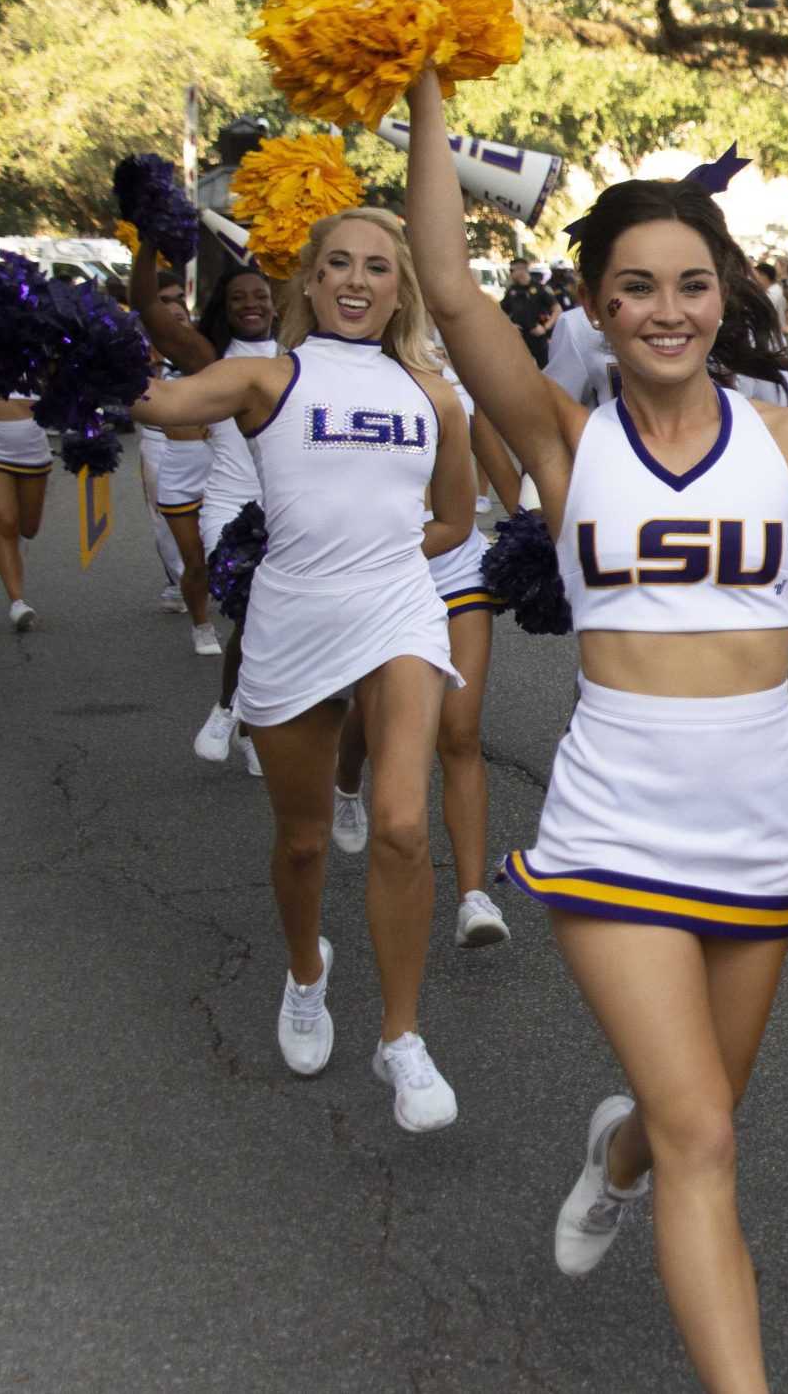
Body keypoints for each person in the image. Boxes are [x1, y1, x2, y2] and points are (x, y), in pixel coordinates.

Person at [400, 69, 788, 1389]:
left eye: (692, 283)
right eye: (639, 286)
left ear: (725, 296)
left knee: (692, 1116)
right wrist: (427, 79)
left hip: (759, 814)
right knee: (708, 1137)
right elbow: (447, 287)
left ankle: (619, 1154)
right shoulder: (561, 435)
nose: (669, 309)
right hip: (614, 812)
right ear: (599, 305)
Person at [132, 205, 474, 1130]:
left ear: (400, 288)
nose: (357, 281)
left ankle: (400, 1037)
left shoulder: (435, 397)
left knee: (402, 823)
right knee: (304, 840)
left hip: (399, 609)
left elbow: (455, 520)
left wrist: (389, 548)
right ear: (310, 282)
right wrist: (100, 365)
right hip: (292, 618)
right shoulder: (261, 378)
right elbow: (161, 404)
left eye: (376, 267)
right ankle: (305, 971)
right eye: (338, 266)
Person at [330, 348, 524, 955]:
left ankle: (473, 897)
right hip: (379, 573)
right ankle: (345, 780)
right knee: (378, 722)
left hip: (458, 571)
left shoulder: (461, 372)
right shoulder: (343, 369)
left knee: (460, 733)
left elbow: (511, 487)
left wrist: (544, 547)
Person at [134, 245, 283, 771]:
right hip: (231, 509)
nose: (251, 305)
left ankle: (244, 719)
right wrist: (146, 244)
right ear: (224, 305)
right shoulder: (214, 360)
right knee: (258, 615)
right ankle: (230, 711)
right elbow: (154, 317)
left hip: (291, 509)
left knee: (277, 624)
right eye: (239, 297)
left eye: (260, 296)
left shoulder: (298, 353)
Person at [136, 272, 219, 640]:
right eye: (166, 318)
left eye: (180, 314)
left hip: (218, 461)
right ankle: (191, 606)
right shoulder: (146, 358)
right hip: (169, 452)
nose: (176, 321)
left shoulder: (211, 353)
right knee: (182, 547)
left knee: (222, 542)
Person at [0, 376, 54, 634]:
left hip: (33, 443)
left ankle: (18, 543)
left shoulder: (38, 341)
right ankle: (17, 603)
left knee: (28, 529)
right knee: (5, 522)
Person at [501, 259, 559, 368]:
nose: (510, 273)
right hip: (519, 338)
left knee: (545, 370)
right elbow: (502, 312)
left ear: (521, 270)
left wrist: (545, 328)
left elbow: (557, 309)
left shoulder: (539, 288)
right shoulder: (512, 291)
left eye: (512, 270)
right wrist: (510, 325)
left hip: (538, 339)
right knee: (521, 371)